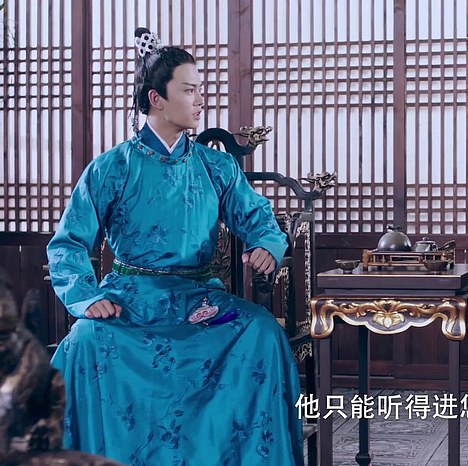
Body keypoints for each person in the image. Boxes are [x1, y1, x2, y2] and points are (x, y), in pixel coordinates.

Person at [47, 28, 303, 465]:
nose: (200, 99)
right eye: (189, 90)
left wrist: (266, 243)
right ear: (157, 99)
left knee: (261, 331)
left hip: (199, 300)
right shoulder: (111, 168)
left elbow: (258, 216)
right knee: (86, 339)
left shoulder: (216, 165)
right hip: (130, 299)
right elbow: (69, 242)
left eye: (200, 89)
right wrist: (86, 297)